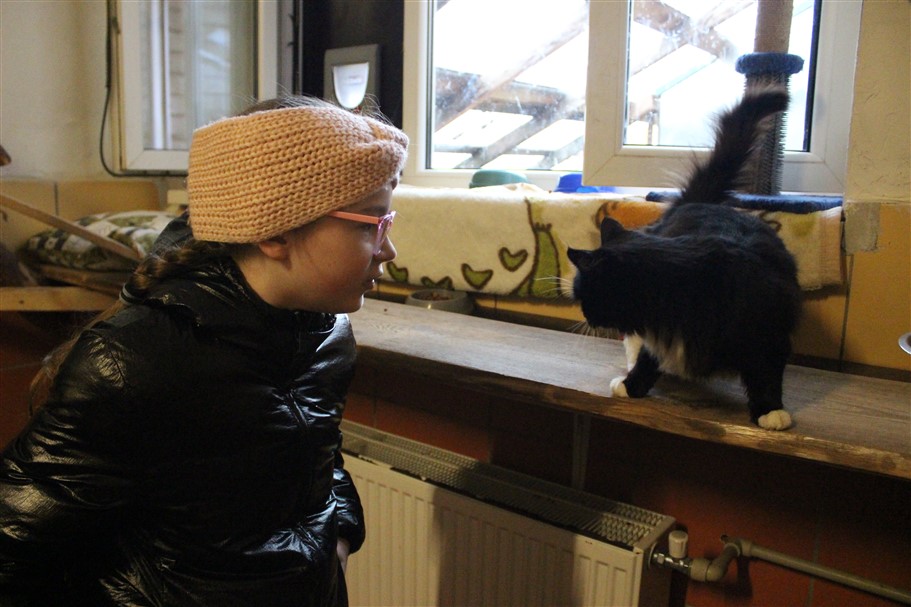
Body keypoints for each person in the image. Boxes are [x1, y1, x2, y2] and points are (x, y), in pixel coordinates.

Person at [0, 95, 407, 606]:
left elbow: (317, 454)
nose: (389, 250)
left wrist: (339, 536)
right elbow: (14, 548)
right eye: (371, 224)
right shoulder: (133, 364)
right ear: (276, 232)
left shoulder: (328, 334)